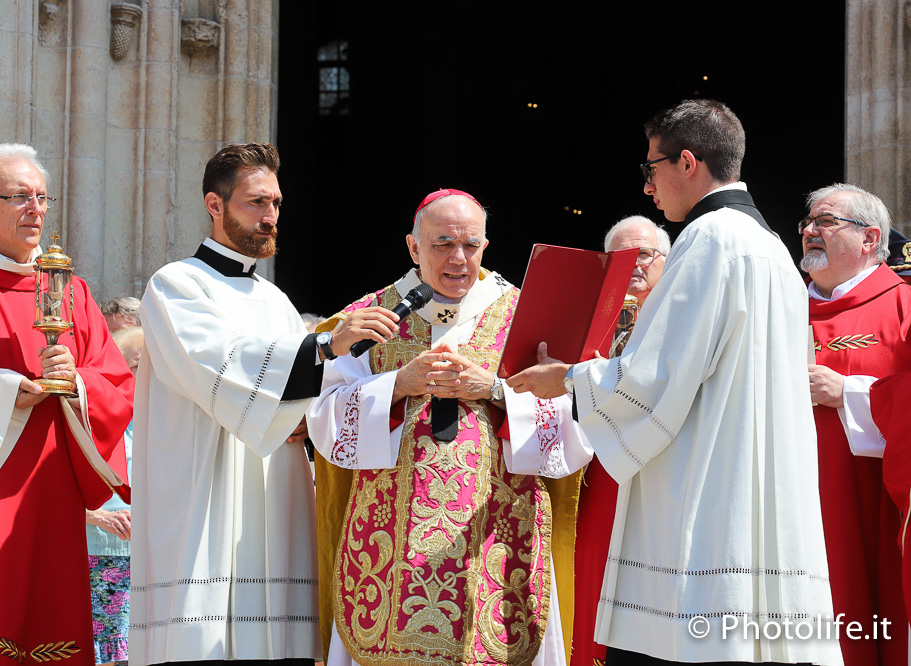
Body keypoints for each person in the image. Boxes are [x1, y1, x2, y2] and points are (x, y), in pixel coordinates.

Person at [508, 100, 841, 665]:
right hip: (752, 490)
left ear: (687, 162)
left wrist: (565, 378)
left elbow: (655, 377)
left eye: (650, 169)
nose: (647, 187)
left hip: (706, 504)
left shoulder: (709, 239)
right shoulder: (773, 248)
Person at [307, 188, 593, 665]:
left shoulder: (524, 314)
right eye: (442, 244)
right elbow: (326, 421)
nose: (459, 259)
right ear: (413, 247)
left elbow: (571, 426)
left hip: (495, 540)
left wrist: (496, 390)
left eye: (472, 245)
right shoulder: (369, 318)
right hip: (391, 548)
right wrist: (398, 383)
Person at [130, 143, 388, 666]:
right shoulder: (176, 285)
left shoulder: (276, 301)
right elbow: (217, 364)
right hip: (205, 502)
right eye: (255, 203)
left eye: (275, 203)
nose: (270, 217)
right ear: (214, 205)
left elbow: (319, 386)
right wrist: (322, 345)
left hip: (275, 507)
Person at [0, 143, 134, 665]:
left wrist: (76, 383)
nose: (35, 209)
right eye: (18, 197)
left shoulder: (73, 293)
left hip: (51, 497)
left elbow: (116, 386)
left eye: (41, 197)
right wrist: (4, 391)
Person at [802, 184, 910, 665]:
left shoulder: (903, 306)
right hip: (782, 502)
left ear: (870, 239)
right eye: (807, 222)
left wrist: (847, 392)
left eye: (825, 222)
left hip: (868, 506)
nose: (809, 230)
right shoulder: (775, 307)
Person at [572, 216, 669, 666]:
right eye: (621, 256)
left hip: (658, 477)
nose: (634, 264)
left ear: (667, 261)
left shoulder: (681, 320)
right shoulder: (586, 320)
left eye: (644, 254)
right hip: (594, 478)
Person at [86, 325, 143, 666]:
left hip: (145, 552)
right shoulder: (85, 416)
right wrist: (96, 517)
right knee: (102, 654)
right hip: (97, 549)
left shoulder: (152, 415)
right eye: (138, 367)